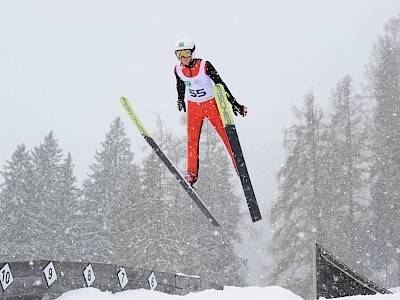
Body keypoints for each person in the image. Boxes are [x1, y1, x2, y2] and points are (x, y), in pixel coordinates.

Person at [174, 37, 247, 186]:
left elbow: (220, 84)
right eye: (179, 54)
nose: (183, 58)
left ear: (192, 53)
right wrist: (180, 99)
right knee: (192, 139)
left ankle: (238, 165)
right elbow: (180, 84)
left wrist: (234, 104)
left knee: (225, 134)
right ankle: (191, 173)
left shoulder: (204, 65)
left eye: (186, 53)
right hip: (194, 106)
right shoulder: (177, 69)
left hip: (211, 104)